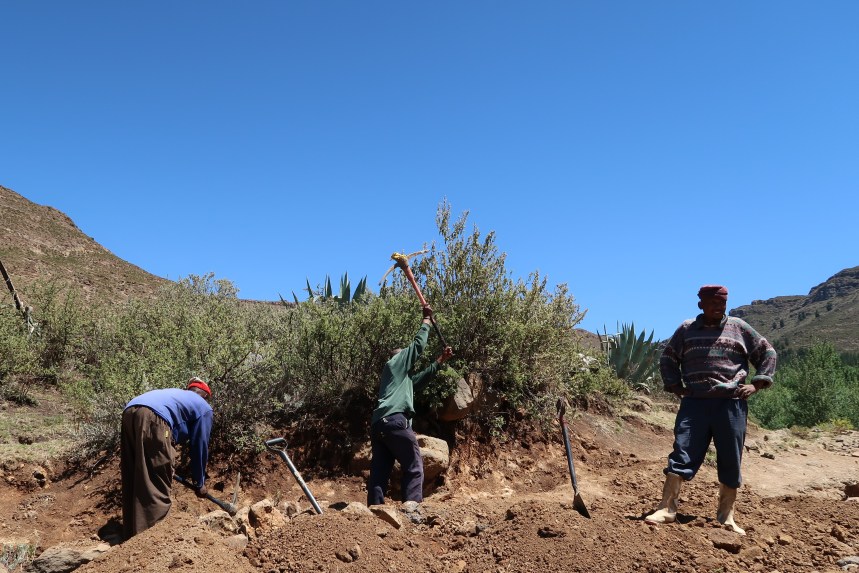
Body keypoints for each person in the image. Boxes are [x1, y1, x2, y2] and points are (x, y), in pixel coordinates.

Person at [645, 285, 777, 534]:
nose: (719, 306)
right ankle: (667, 508)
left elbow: (767, 353)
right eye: (714, 302)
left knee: (730, 457)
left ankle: (727, 517)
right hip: (695, 403)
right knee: (682, 450)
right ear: (701, 305)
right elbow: (668, 357)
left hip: (731, 403)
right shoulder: (687, 329)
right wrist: (674, 386)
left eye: (723, 302)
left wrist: (756, 385)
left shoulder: (739, 327)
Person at [368, 305, 453, 506]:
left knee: (380, 471)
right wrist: (426, 321)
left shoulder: (400, 380)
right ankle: (412, 507)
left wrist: (440, 360)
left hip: (379, 425)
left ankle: (374, 510)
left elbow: (419, 380)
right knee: (414, 465)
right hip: (396, 420)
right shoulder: (395, 364)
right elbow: (416, 347)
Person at [120, 377, 214, 539]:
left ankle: (130, 536)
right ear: (204, 395)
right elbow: (200, 444)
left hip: (130, 411)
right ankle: (154, 541)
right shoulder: (204, 407)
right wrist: (200, 482)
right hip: (154, 417)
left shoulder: (176, 396)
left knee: (134, 473)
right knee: (156, 479)